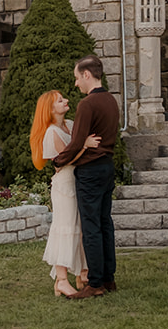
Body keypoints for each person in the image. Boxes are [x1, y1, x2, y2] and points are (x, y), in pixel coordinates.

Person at [53, 55, 120, 298]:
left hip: (90, 171)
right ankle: (109, 278)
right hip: (107, 167)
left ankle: (95, 283)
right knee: (105, 223)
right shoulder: (111, 100)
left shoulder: (87, 104)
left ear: (87, 75)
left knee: (91, 227)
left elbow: (76, 142)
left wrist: (58, 161)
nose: (75, 84)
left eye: (77, 78)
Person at [30, 89, 94, 298]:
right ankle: (62, 280)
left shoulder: (70, 125)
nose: (66, 101)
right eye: (60, 100)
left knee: (80, 228)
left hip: (78, 182)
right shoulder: (51, 133)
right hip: (65, 185)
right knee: (65, 228)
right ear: (50, 109)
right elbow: (66, 159)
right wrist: (84, 145)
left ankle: (82, 273)